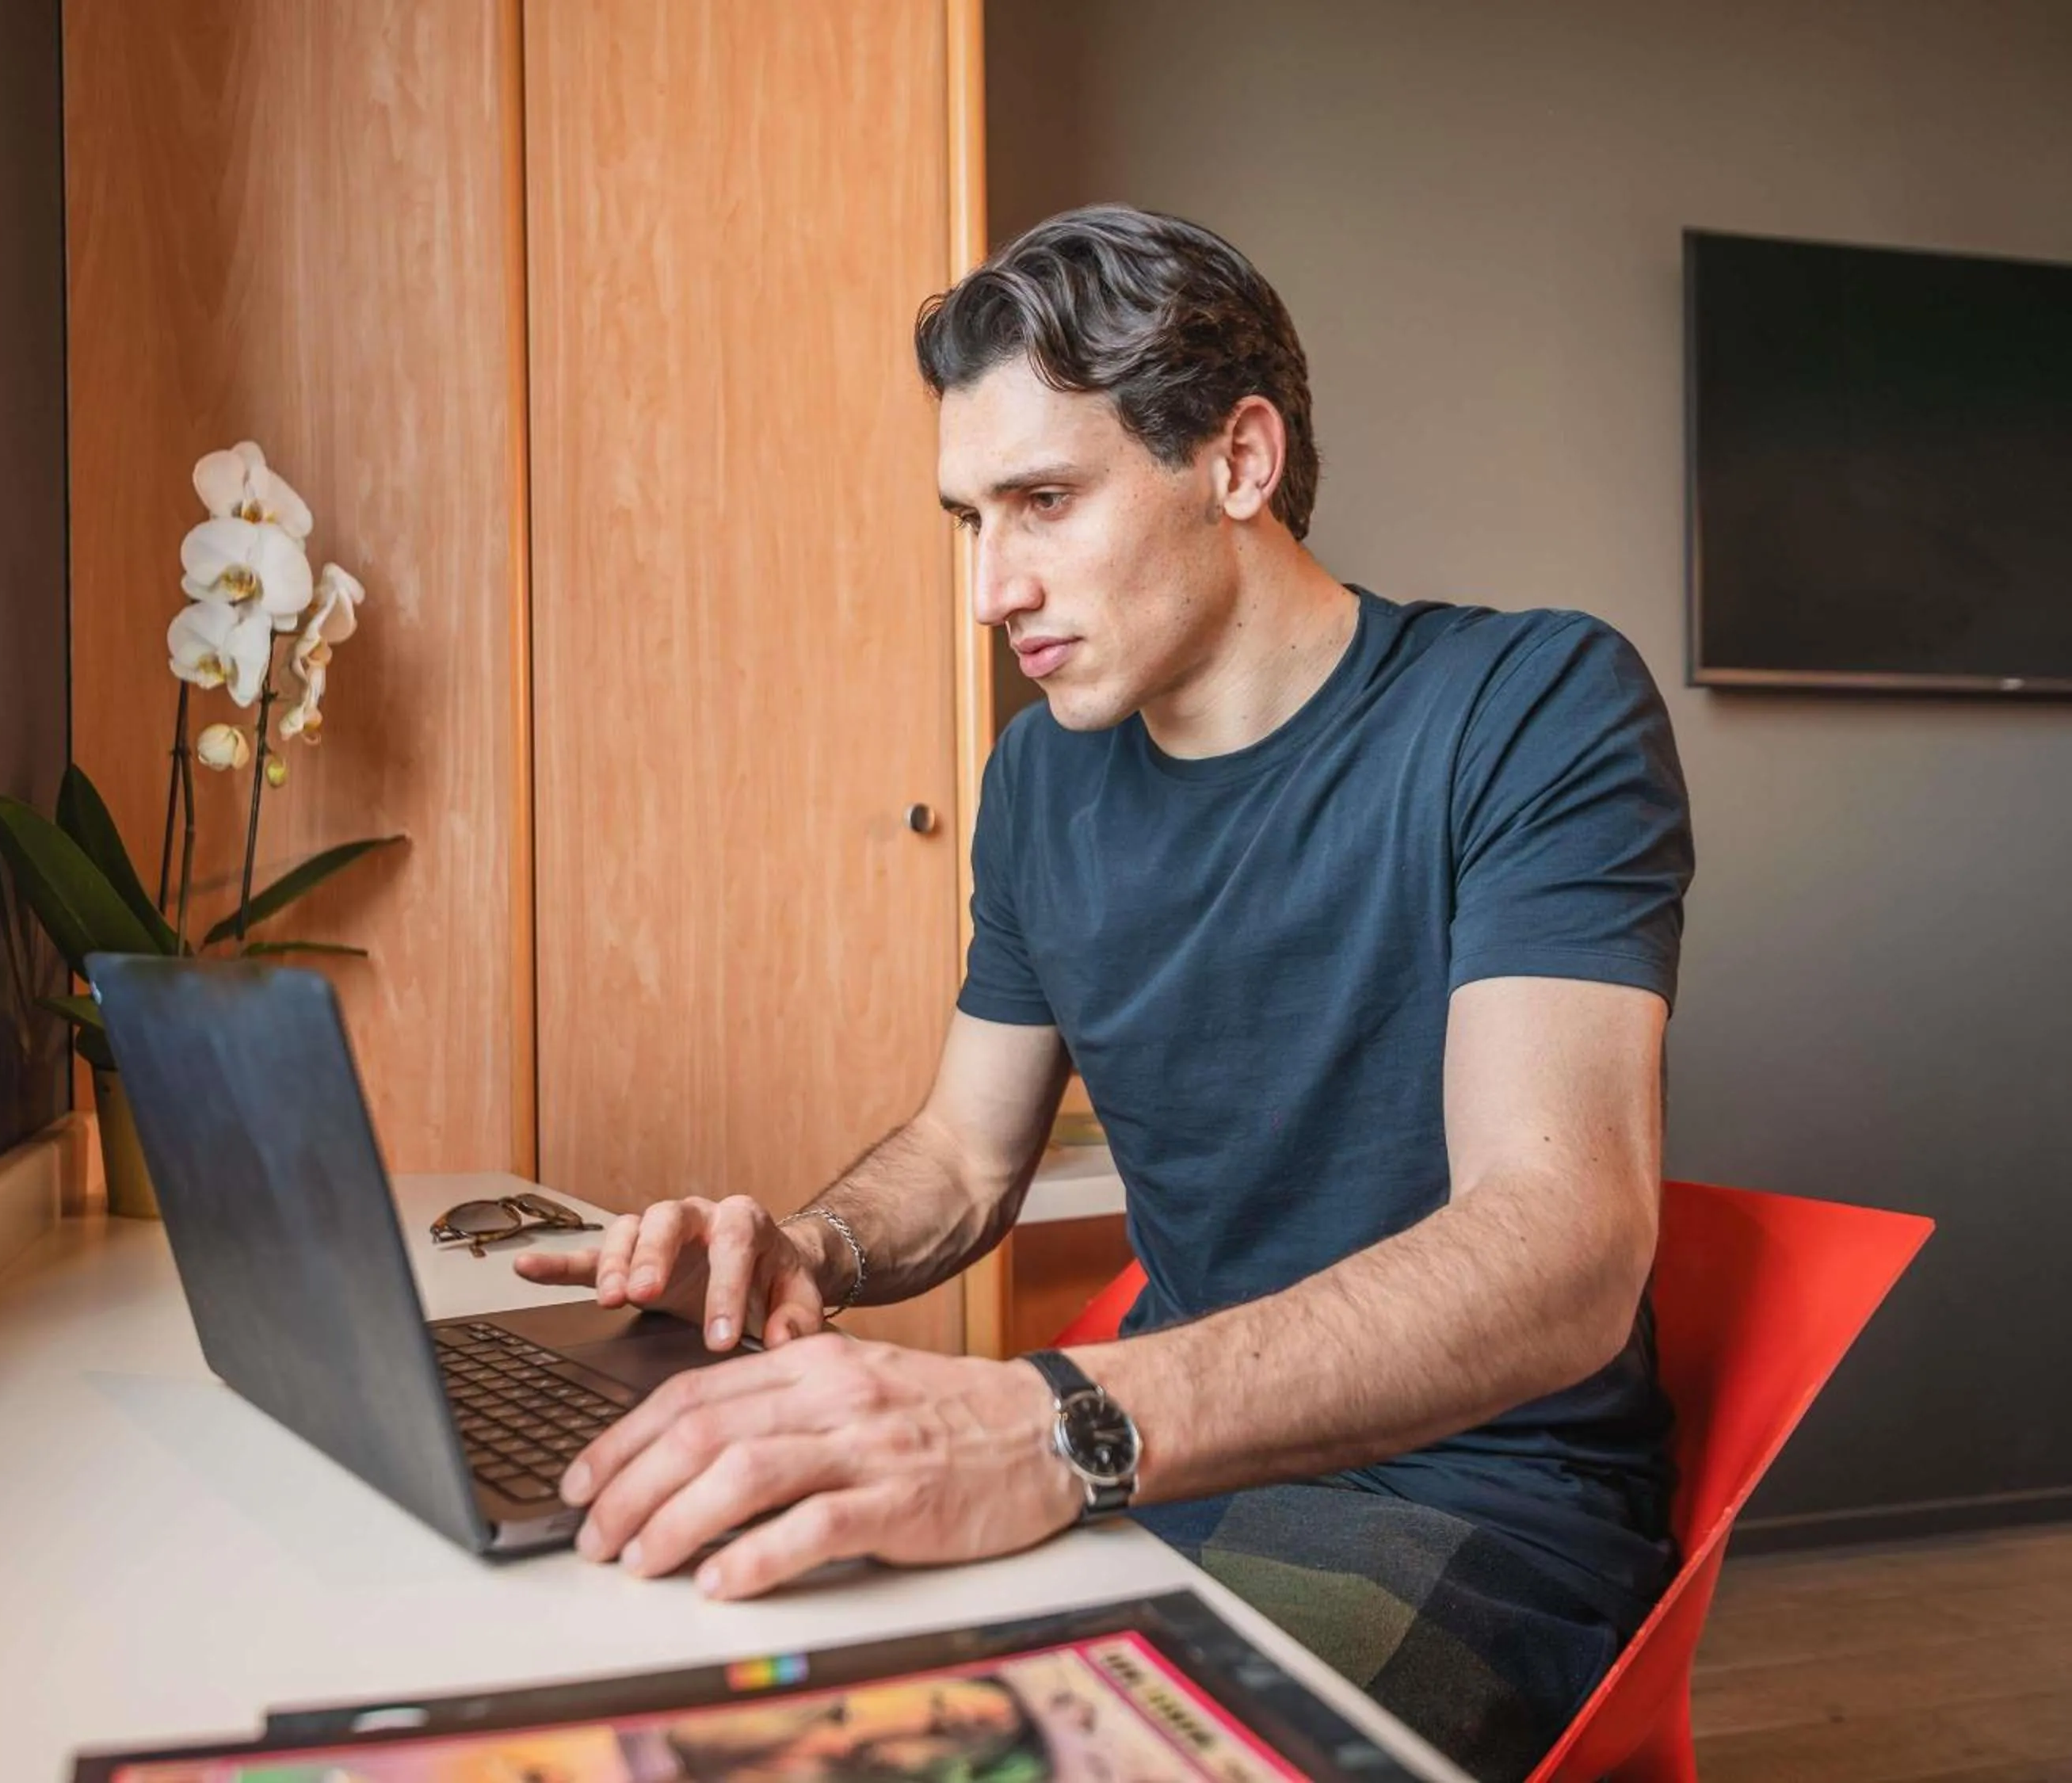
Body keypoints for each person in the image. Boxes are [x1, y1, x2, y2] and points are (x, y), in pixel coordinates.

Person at [516, 204, 1692, 1782]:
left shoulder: (1531, 708)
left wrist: (1045, 1421)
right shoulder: (1038, 783)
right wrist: (811, 1248)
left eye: (1045, 502)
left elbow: (1564, 1248)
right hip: (1152, 1462)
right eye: (968, 520)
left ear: (1239, 461)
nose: (993, 590)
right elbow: (962, 1155)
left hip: (1465, 1503)